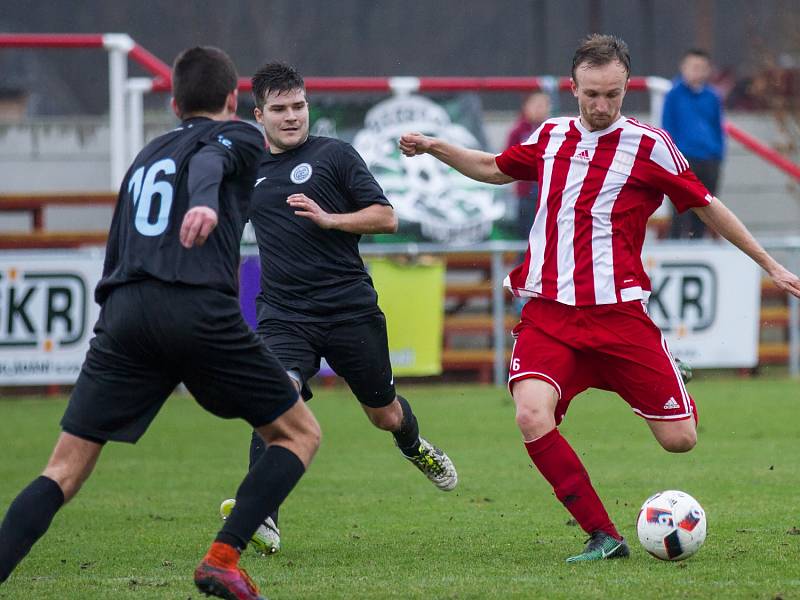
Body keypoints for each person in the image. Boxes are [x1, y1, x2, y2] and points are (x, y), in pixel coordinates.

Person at [399, 34, 800, 563]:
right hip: (549, 314)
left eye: (612, 94)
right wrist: (435, 146)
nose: (602, 105)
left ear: (627, 88)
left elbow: (706, 205)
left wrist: (769, 263)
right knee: (531, 415)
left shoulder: (650, 145)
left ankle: (666, 373)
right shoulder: (550, 136)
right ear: (574, 87)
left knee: (681, 440)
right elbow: (492, 167)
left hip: (619, 318)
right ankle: (603, 536)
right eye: (592, 94)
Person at [0, 47, 321, 600]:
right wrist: (205, 204)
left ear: (173, 105)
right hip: (195, 306)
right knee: (299, 433)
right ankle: (223, 557)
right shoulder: (239, 136)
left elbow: (117, 241)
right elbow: (209, 162)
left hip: (123, 316)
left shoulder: (146, 155)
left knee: (64, 471)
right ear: (231, 101)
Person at [219, 62, 458, 555]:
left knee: (385, 415)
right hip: (285, 315)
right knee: (275, 399)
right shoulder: (248, 171)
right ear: (259, 114)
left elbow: (387, 217)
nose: (292, 117)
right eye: (280, 109)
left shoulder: (335, 155)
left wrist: (331, 220)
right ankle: (263, 513)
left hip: (349, 310)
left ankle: (414, 446)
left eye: (299, 106)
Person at [662, 49, 725, 239]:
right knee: (680, 209)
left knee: (706, 209)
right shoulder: (673, 94)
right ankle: (676, 248)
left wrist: (718, 153)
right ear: (684, 68)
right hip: (684, 159)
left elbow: (717, 127)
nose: (697, 72)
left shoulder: (712, 96)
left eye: (701, 68)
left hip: (709, 159)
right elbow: (668, 126)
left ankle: (698, 246)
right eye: (693, 67)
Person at [506, 91, 551, 240]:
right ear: (526, 107)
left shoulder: (553, 131)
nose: (540, 109)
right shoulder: (518, 131)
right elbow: (508, 159)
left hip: (547, 193)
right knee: (525, 234)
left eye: (544, 105)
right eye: (536, 105)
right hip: (526, 194)